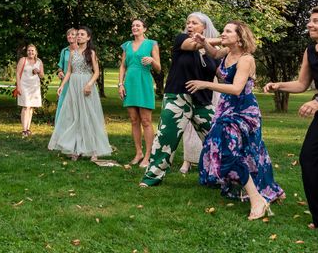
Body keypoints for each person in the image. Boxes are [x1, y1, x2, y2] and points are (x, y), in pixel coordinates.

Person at [187, 21, 285, 220]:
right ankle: (269, 189)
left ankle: (258, 199)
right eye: (223, 30)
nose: (223, 33)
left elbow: (236, 89)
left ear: (239, 38)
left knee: (233, 149)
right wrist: (205, 43)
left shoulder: (245, 59)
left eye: (227, 31)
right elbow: (214, 55)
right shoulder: (226, 52)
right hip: (226, 108)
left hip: (243, 111)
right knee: (243, 150)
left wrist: (205, 84)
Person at [264, 6, 318, 230]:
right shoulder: (310, 51)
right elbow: (302, 83)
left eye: (316, 21)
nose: (310, 24)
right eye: (310, 20)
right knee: (311, 163)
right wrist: (279, 86)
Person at [140, 12, 219, 187]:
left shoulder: (212, 53)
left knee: (217, 137)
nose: (189, 25)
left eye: (194, 23)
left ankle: (221, 177)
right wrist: (225, 40)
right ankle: (152, 177)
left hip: (203, 102)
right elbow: (194, 45)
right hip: (177, 97)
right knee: (165, 138)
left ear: (204, 27)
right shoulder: (182, 40)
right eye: (188, 22)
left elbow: (221, 74)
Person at [48, 27, 112, 161]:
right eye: (78, 35)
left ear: (88, 37)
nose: (79, 37)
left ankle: (94, 150)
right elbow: (69, 72)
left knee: (89, 116)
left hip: (86, 85)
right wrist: (62, 85)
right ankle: (76, 149)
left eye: (82, 35)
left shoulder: (92, 53)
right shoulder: (72, 53)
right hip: (73, 86)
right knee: (74, 116)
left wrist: (89, 84)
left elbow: (96, 72)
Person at [118, 19, 161, 168]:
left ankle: (148, 155)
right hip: (130, 83)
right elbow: (123, 66)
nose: (135, 27)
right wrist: (120, 84)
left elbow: (159, 68)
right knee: (134, 120)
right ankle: (138, 153)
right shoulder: (127, 45)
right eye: (133, 25)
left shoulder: (151, 44)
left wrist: (152, 60)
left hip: (144, 82)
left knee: (146, 120)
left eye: (138, 25)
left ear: (144, 29)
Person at [16, 44, 44, 137]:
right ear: (27, 52)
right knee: (25, 107)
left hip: (34, 86)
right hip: (24, 86)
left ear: (35, 52)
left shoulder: (39, 61)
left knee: (31, 107)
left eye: (32, 50)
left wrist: (38, 71)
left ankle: (28, 128)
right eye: (29, 50)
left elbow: (42, 75)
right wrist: (18, 86)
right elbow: (17, 73)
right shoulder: (23, 60)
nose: (30, 52)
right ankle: (23, 130)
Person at [55, 28, 77, 122]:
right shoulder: (64, 51)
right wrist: (60, 72)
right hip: (65, 83)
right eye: (68, 35)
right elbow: (60, 66)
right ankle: (60, 130)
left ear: (77, 37)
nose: (70, 36)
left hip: (77, 82)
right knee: (62, 105)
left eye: (72, 34)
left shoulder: (82, 51)